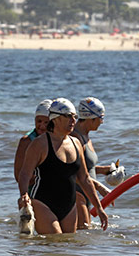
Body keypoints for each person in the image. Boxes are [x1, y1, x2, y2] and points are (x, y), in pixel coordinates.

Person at [17, 98, 109, 234]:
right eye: (68, 116)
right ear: (55, 118)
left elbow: (84, 179)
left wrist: (99, 208)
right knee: (54, 243)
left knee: (67, 248)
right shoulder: (39, 144)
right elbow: (24, 173)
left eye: (75, 116)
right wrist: (24, 194)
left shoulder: (76, 143)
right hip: (43, 203)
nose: (73, 120)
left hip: (69, 206)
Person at [71, 97, 123, 229]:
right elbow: (75, 173)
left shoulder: (85, 135)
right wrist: (101, 187)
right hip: (77, 193)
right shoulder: (75, 138)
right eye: (101, 118)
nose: (102, 122)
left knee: (83, 238)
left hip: (87, 192)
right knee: (82, 236)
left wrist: (105, 170)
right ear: (91, 118)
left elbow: (87, 167)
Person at [13, 99, 51, 183]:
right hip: (33, 191)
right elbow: (18, 175)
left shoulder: (55, 139)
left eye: (46, 122)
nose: (42, 126)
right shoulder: (26, 141)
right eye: (39, 121)